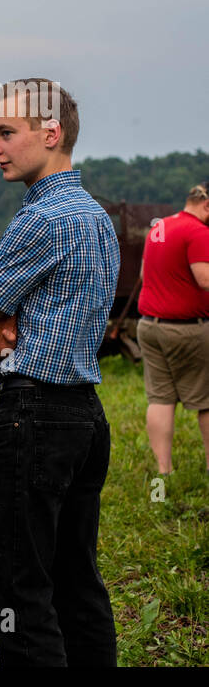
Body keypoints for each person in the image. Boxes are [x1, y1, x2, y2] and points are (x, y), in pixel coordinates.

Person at [0, 78, 119, 667]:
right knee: (77, 580)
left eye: (4, 133)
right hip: (86, 416)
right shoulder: (96, 217)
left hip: (36, 413)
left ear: (50, 134)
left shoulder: (40, 219)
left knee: (17, 590)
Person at [136, 182, 209, 474]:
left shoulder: (159, 228)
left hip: (149, 328)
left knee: (161, 399)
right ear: (206, 206)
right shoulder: (199, 232)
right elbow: (204, 279)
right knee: (207, 401)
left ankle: (163, 473)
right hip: (187, 330)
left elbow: (143, 274)